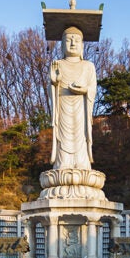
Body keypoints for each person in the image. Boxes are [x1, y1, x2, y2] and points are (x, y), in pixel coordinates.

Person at [49, 26, 97, 170]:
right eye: (68, 40)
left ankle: (81, 161)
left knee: (81, 134)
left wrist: (85, 90)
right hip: (63, 105)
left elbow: (93, 88)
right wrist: (54, 83)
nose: (72, 43)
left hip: (81, 107)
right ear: (62, 45)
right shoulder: (58, 64)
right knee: (63, 135)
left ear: (82, 45)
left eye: (76, 40)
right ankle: (63, 161)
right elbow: (52, 88)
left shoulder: (88, 66)